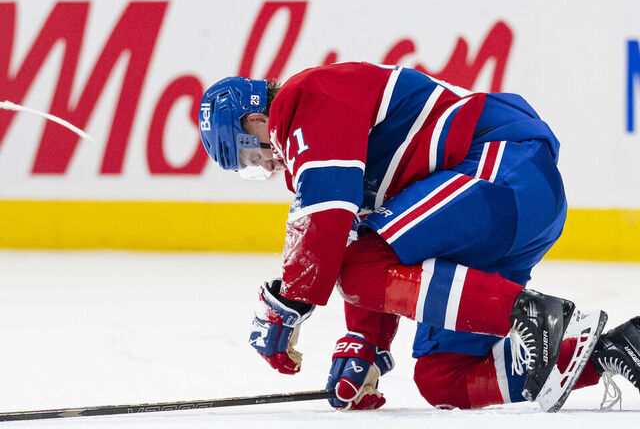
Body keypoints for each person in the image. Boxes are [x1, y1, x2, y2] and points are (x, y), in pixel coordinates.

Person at [198, 62, 639, 411]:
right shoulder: (322, 148)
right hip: (501, 211)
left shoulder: (306, 97)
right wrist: (364, 345)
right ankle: (612, 350)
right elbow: (356, 236)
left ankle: (531, 313)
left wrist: (289, 303)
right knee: (444, 379)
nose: (267, 165)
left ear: (259, 117)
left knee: (354, 270)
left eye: (250, 150)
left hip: (503, 168)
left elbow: (328, 222)